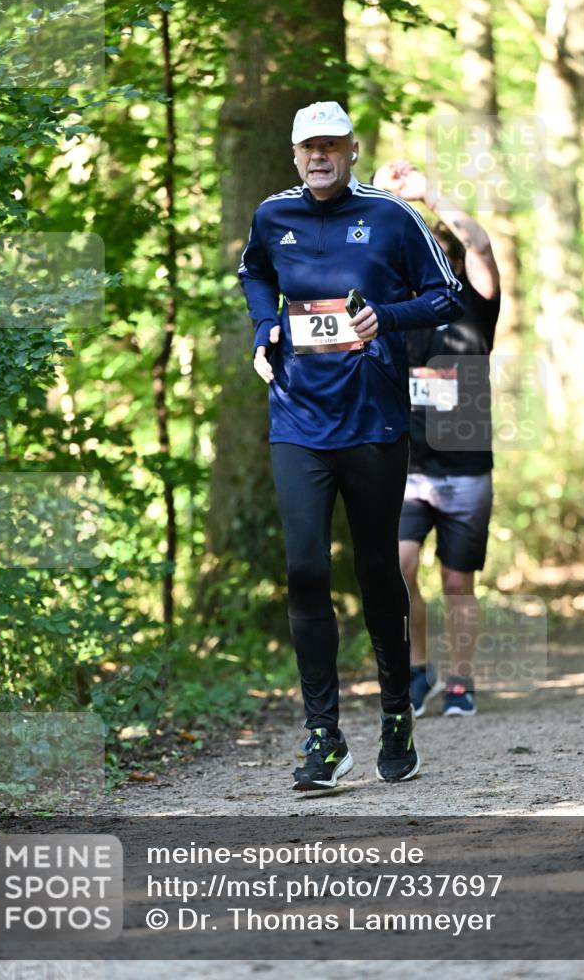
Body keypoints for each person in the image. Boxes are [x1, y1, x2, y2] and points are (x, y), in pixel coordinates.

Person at [238, 103, 463, 791]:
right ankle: (322, 735)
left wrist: (382, 318)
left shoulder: (392, 217)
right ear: (294, 153)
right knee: (304, 570)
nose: (319, 157)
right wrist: (261, 330)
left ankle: (396, 715)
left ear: (352, 150)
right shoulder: (273, 216)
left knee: (375, 573)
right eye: (308, 147)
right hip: (297, 417)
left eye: (331, 146)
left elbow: (446, 295)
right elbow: (253, 274)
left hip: (372, 420)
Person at [372, 159, 501, 718]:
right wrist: (384, 199)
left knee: (457, 582)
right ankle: (418, 669)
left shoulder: (476, 302)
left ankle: (461, 682)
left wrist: (430, 195)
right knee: (399, 570)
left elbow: (482, 246)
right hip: (409, 464)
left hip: (466, 464)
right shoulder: (402, 305)